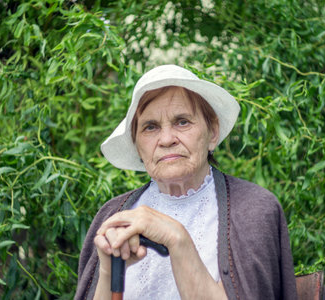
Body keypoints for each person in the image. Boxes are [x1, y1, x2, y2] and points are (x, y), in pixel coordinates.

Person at [75, 65, 297, 300]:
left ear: (212, 133)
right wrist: (108, 272)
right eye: (150, 127)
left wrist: (177, 239)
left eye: (182, 122)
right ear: (137, 145)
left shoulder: (254, 209)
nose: (167, 139)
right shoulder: (112, 215)